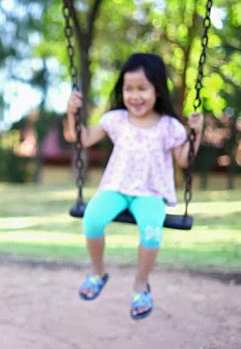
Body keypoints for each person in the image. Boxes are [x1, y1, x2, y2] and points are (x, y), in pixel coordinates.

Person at [65, 53, 203, 320]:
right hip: (115, 188)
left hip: (150, 194)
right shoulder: (115, 120)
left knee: (152, 232)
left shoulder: (168, 127)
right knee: (92, 218)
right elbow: (80, 138)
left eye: (142, 88)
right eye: (129, 89)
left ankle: (141, 285)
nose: (135, 96)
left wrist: (198, 132)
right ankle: (97, 271)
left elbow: (185, 159)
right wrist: (72, 112)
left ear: (158, 91)